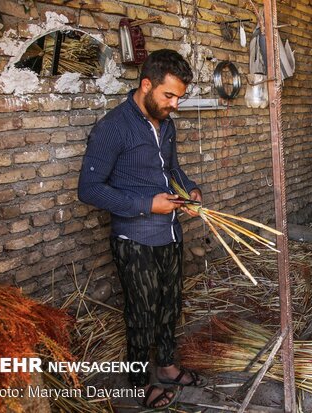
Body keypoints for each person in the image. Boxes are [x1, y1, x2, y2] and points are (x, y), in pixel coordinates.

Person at [78, 49, 205, 408]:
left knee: (169, 305)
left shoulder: (166, 124)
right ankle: (137, 382)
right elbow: (88, 189)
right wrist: (147, 204)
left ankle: (165, 366)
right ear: (146, 84)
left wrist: (189, 190)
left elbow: (172, 171)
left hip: (169, 233)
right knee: (140, 314)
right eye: (169, 95)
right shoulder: (113, 127)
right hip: (134, 240)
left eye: (179, 97)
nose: (175, 104)